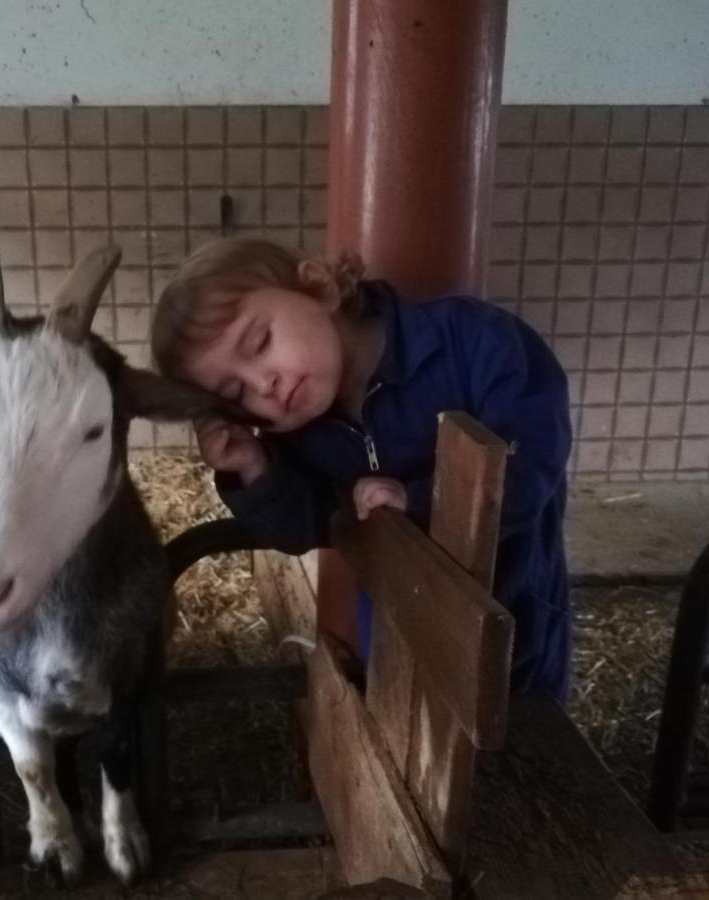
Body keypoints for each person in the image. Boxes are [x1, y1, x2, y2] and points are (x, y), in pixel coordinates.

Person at [150, 237, 573, 700]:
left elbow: (531, 464)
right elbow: (304, 528)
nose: (263, 385)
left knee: (523, 743)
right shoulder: (297, 434)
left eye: (260, 342)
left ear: (319, 288)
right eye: (235, 394)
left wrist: (416, 502)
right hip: (395, 642)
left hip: (515, 622)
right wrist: (253, 466)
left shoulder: (479, 343)